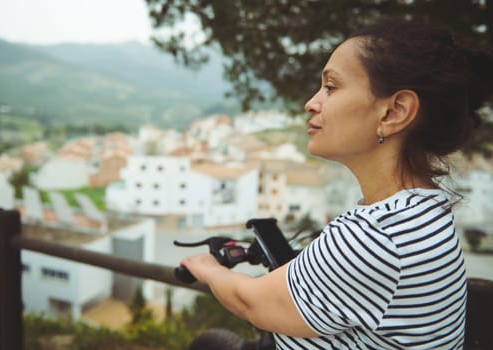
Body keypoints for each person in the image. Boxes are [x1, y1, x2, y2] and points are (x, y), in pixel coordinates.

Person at [179, 19, 493, 349]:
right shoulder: (424, 209)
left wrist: (208, 269)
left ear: (394, 112)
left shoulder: (378, 235)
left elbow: (250, 303)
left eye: (330, 87)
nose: (311, 102)